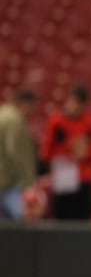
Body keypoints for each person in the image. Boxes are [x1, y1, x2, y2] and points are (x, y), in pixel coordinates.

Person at [40, 85, 91, 221]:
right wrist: (69, 150)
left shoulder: (89, 122)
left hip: (84, 178)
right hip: (63, 176)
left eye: (80, 105)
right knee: (63, 218)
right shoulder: (56, 121)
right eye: (74, 102)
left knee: (83, 220)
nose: (75, 107)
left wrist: (85, 151)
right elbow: (46, 152)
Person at [0, 89, 38, 221]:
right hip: (7, 181)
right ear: (25, 103)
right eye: (32, 107)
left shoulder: (2, 113)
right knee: (20, 221)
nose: (32, 112)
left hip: (5, 180)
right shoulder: (14, 120)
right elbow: (15, 153)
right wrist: (28, 182)